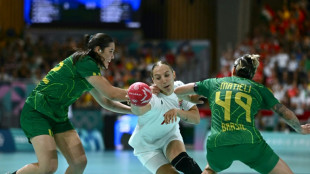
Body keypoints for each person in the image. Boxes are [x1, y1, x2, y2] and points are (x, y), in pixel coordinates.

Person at [9, 33, 132, 174]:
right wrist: (147, 95)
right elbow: (112, 93)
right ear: (98, 50)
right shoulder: (86, 62)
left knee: (79, 162)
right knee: (48, 166)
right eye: (110, 51)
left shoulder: (91, 71)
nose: (113, 57)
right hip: (37, 112)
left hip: (58, 116)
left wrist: (133, 111)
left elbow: (106, 102)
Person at [174, 54, 310, 174]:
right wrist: (300, 128)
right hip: (250, 143)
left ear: (233, 70)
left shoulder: (214, 82)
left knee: (210, 169)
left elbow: (179, 91)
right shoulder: (258, 89)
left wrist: (190, 98)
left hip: (218, 142)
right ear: (251, 76)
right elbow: (284, 112)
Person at [129, 60, 203, 174]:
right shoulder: (151, 97)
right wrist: (135, 102)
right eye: (158, 78)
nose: (163, 80)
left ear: (173, 74)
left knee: (186, 164)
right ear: (153, 81)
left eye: (167, 75)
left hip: (169, 136)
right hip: (147, 147)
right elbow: (138, 110)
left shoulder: (179, 88)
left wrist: (177, 112)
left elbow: (196, 118)